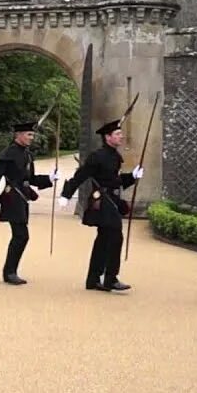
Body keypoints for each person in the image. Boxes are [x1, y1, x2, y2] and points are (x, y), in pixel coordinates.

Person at [58, 115, 143, 292]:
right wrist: (66, 194)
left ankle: (94, 279)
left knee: (104, 240)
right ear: (108, 137)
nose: (121, 136)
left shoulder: (114, 156)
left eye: (120, 133)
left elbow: (115, 180)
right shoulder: (98, 156)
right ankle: (110, 278)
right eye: (117, 134)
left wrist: (131, 177)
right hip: (103, 201)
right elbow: (82, 175)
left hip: (112, 199)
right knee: (115, 237)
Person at [0, 121, 57, 285]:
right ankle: (9, 272)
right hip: (12, 198)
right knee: (21, 235)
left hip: (23, 198)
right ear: (18, 135)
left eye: (32, 134)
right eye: (29, 135)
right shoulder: (8, 153)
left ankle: (11, 271)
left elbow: (30, 179)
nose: (32, 138)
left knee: (21, 236)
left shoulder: (27, 154)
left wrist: (49, 179)